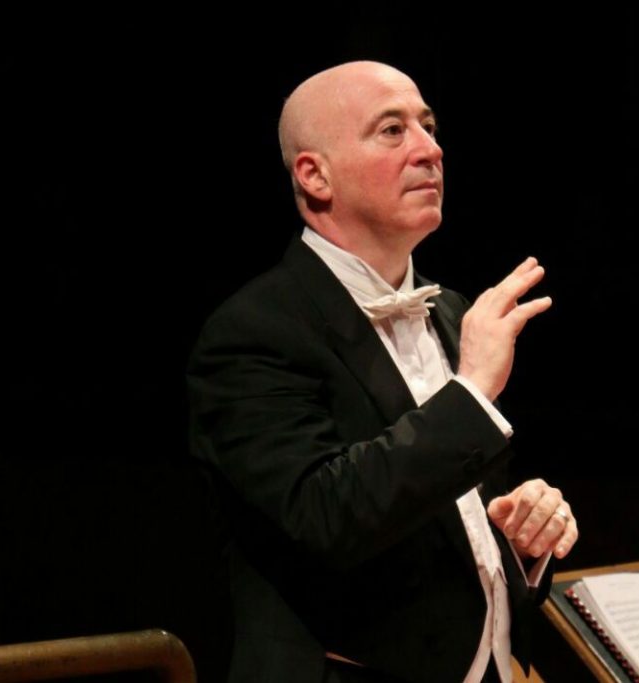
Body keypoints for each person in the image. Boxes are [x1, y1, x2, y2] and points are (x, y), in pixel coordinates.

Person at [187, 60, 578, 683]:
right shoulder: (252, 332)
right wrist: (472, 392)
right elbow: (325, 516)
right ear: (315, 175)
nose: (430, 150)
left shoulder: (450, 311)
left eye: (429, 127)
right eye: (392, 131)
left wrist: (519, 539)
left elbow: (441, 525)